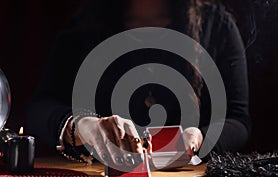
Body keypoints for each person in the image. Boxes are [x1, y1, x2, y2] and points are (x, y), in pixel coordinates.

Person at [27, 0, 250, 167]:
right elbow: (40, 107)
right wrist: (82, 125)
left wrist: (201, 139)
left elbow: (238, 120)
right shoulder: (84, 27)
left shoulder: (217, 25)